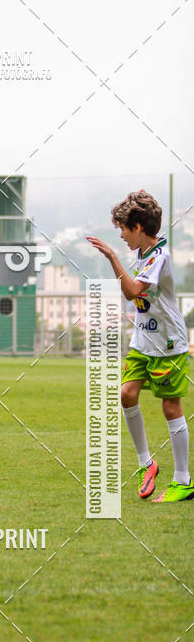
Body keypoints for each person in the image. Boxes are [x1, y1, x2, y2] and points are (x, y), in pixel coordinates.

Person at [87, 189, 192, 502]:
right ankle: (148, 464)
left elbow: (132, 291)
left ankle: (183, 481)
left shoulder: (161, 256)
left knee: (170, 407)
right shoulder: (143, 254)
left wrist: (112, 258)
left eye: (122, 228)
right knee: (126, 394)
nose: (120, 234)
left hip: (168, 344)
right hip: (143, 342)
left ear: (138, 227)